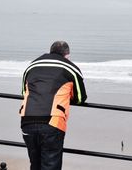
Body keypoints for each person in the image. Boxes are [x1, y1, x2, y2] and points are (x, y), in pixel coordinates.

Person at [20, 41, 87, 170]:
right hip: (52, 122)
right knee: (51, 165)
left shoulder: (32, 65)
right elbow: (80, 98)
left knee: (35, 165)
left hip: (27, 120)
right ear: (67, 55)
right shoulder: (70, 68)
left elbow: (24, 92)